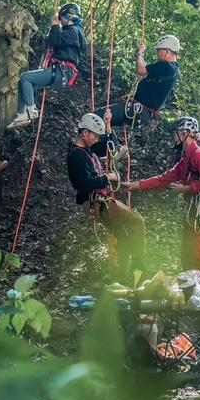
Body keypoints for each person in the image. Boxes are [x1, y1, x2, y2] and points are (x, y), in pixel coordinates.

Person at [123, 115, 200, 278]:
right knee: (186, 253)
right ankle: (190, 288)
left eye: (176, 133)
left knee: (197, 254)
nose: (174, 137)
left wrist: (185, 188)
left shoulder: (199, 155)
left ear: (186, 133)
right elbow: (164, 179)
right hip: (192, 212)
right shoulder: (185, 159)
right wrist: (136, 185)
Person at [67, 112, 146, 280]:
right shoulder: (76, 155)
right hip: (99, 202)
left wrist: (108, 123)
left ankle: (122, 277)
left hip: (101, 202)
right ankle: (140, 263)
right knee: (137, 221)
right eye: (94, 136)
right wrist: (108, 177)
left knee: (123, 238)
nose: (96, 140)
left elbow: (109, 145)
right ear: (85, 133)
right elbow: (83, 183)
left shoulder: (86, 149)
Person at [7, 2, 87, 130]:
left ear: (67, 17)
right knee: (25, 83)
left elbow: (54, 40)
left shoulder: (73, 31)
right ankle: (22, 114)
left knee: (25, 78)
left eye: (61, 19)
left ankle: (29, 111)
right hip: (63, 73)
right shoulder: (77, 34)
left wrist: (55, 26)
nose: (60, 21)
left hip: (61, 71)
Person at [102, 34, 181, 133]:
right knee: (105, 121)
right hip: (140, 111)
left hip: (139, 110)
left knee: (99, 116)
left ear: (166, 51)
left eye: (159, 50)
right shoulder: (172, 69)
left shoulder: (167, 66)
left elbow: (141, 70)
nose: (157, 53)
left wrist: (139, 53)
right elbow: (145, 72)